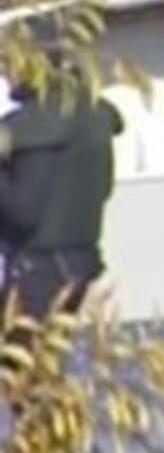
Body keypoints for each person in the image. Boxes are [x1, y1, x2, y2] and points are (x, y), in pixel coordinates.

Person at [0, 71, 123, 321]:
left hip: (37, 273)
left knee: (23, 355)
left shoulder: (32, 125)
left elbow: (22, 214)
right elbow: (105, 189)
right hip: (84, 264)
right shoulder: (97, 116)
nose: (5, 74)